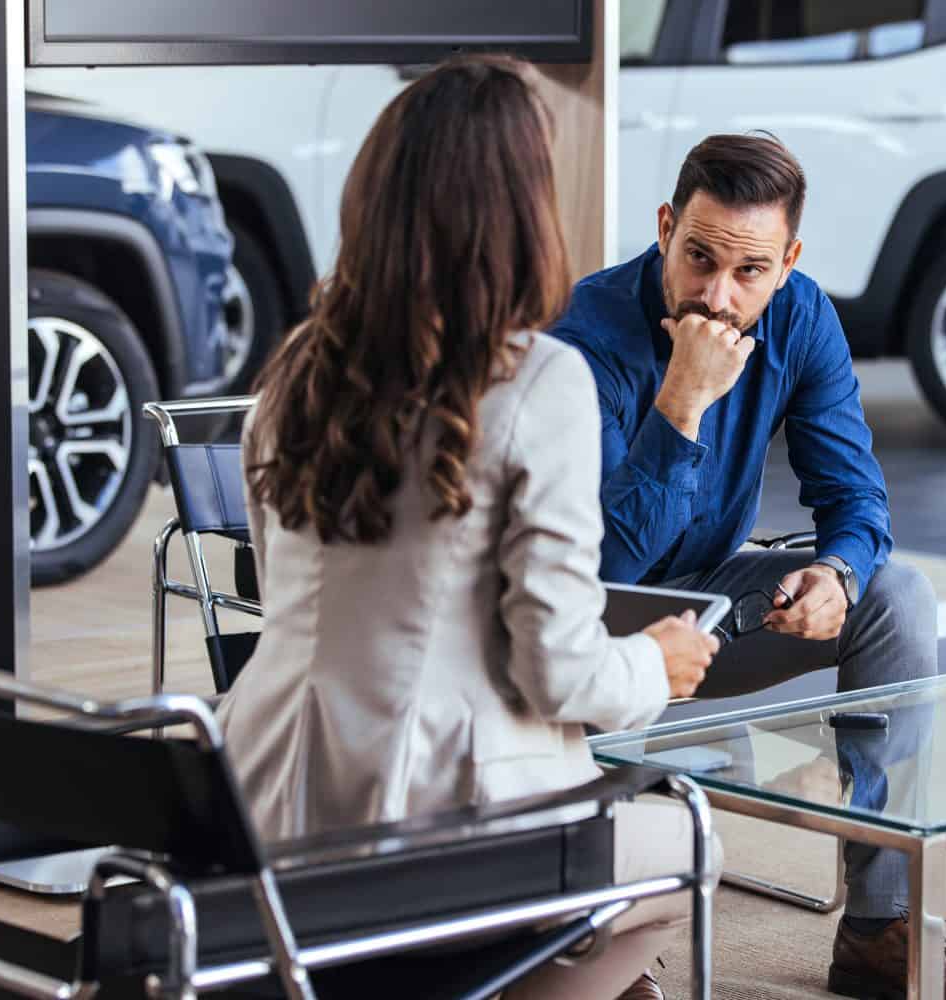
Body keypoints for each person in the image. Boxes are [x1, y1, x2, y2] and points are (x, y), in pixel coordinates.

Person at [216, 55, 720, 1000]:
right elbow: (557, 671)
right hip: (433, 837)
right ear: (522, 209)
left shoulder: (290, 373)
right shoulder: (537, 382)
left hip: (259, 809)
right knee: (690, 839)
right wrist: (659, 662)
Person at [551, 133, 946, 999]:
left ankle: (880, 927)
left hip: (717, 607)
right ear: (664, 228)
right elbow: (603, 568)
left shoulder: (802, 316)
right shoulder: (586, 341)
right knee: (583, 627)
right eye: (698, 257)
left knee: (897, 597)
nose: (719, 295)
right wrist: (682, 402)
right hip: (594, 626)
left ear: (789, 260)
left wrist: (837, 573)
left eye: (750, 270)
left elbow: (857, 498)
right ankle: (596, 941)